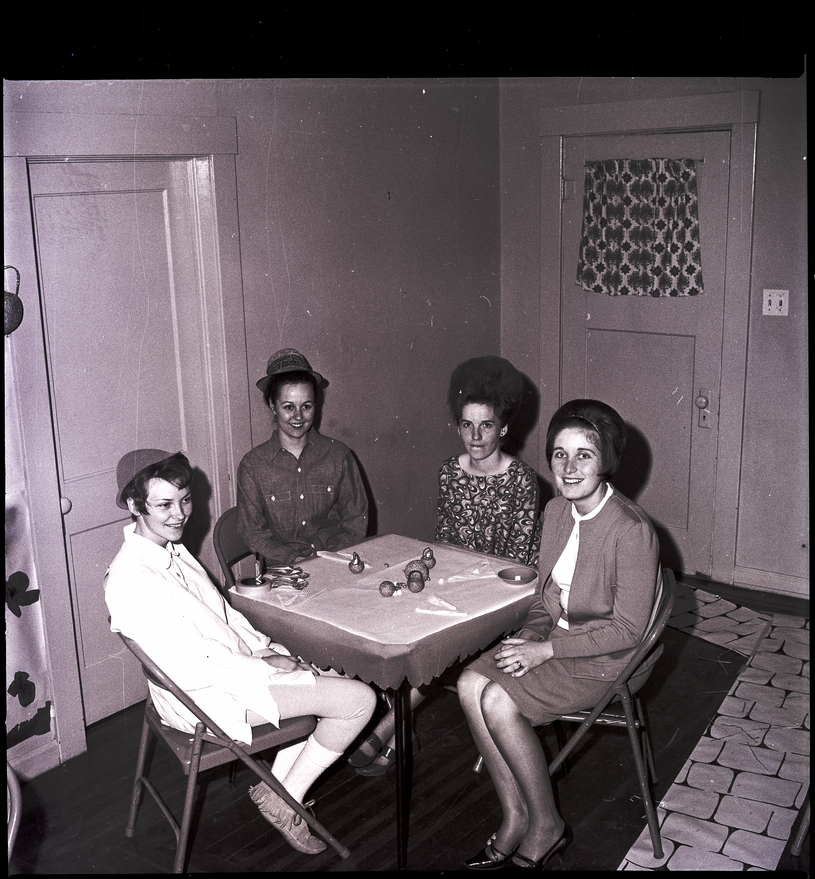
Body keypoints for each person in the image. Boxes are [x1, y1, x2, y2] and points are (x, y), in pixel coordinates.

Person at [105, 449, 376, 856]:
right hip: (204, 696)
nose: (179, 514)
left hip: (229, 671)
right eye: (164, 505)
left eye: (184, 500)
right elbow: (191, 666)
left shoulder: (169, 550)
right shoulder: (133, 578)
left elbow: (225, 617)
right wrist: (265, 665)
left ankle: (278, 791)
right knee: (359, 701)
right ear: (134, 504)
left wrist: (266, 650)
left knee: (337, 674)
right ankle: (285, 801)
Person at [457, 399, 661, 870]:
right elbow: (547, 598)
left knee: (497, 701)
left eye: (583, 455)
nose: (568, 468)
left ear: (606, 461)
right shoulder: (556, 511)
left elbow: (629, 630)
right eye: (559, 454)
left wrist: (546, 650)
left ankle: (547, 826)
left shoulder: (631, 530)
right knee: (469, 684)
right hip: (556, 641)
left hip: (612, 657)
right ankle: (515, 816)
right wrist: (530, 637)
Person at [348, 356, 541, 777]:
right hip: (456, 585)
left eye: (486, 425)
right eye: (467, 425)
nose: (476, 436)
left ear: (503, 428)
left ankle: (389, 728)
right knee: (412, 626)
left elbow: (519, 562)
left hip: (506, 597)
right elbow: (446, 542)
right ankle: (397, 730)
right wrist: (431, 573)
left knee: (444, 642)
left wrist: (468, 586)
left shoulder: (522, 480)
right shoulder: (450, 472)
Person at [237, 348, 368, 567]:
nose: (298, 416)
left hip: (335, 564)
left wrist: (329, 559)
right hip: (285, 571)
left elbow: (356, 521)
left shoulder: (339, 456)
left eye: (306, 406)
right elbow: (253, 532)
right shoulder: (253, 466)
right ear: (272, 406)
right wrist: (295, 560)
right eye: (288, 407)